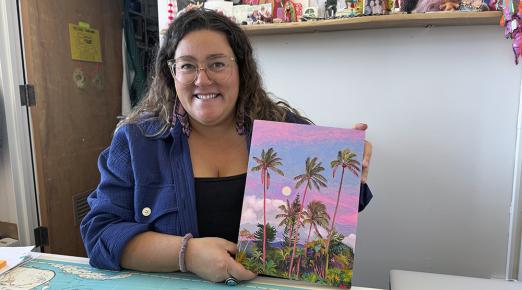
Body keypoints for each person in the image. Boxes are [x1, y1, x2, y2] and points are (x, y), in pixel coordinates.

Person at [80, 8, 373, 284]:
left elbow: (328, 219)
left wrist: (349, 174)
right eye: (187, 66)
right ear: (172, 74)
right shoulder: (136, 141)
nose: (202, 79)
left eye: (217, 64)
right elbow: (100, 234)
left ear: (240, 69)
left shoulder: (284, 130)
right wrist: (188, 254)